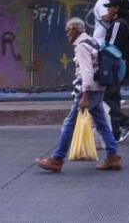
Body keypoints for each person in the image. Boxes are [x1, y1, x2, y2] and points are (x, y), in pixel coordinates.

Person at [35, 17, 122, 173]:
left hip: (88, 91)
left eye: (67, 31)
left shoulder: (82, 46)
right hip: (99, 88)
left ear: (74, 30)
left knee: (69, 123)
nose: (67, 34)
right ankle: (113, 156)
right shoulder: (92, 41)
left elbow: (86, 72)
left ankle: (57, 159)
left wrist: (85, 95)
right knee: (101, 123)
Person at [100, 0, 129, 142]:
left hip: (116, 65)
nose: (107, 10)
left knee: (104, 98)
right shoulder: (121, 23)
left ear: (116, 9)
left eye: (109, 7)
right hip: (120, 65)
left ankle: (126, 121)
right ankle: (116, 133)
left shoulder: (117, 24)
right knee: (114, 97)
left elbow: (111, 49)